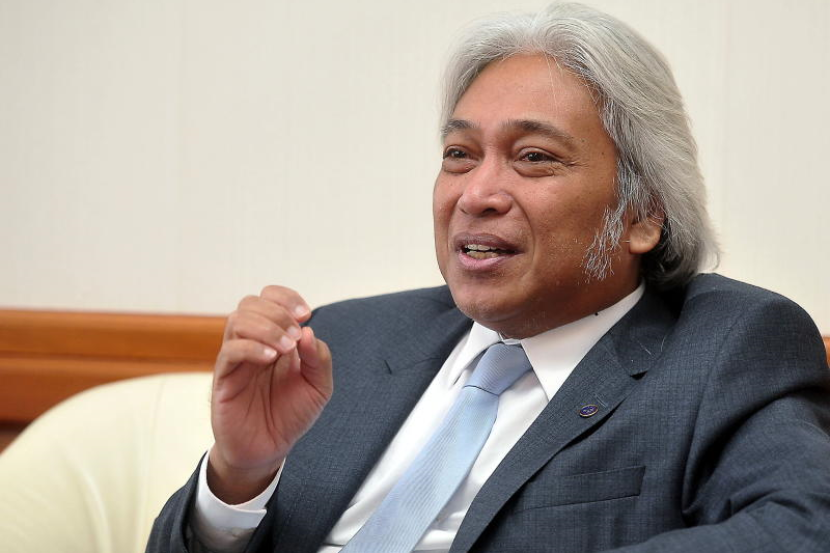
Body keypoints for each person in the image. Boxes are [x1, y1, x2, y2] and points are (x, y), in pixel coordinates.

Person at [147, 3, 830, 552]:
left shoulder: (726, 348)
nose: (476, 193)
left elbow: (806, 530)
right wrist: (239, 475)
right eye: (459, 154)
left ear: (643, 213)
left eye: (533, 157)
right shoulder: (342, 341)